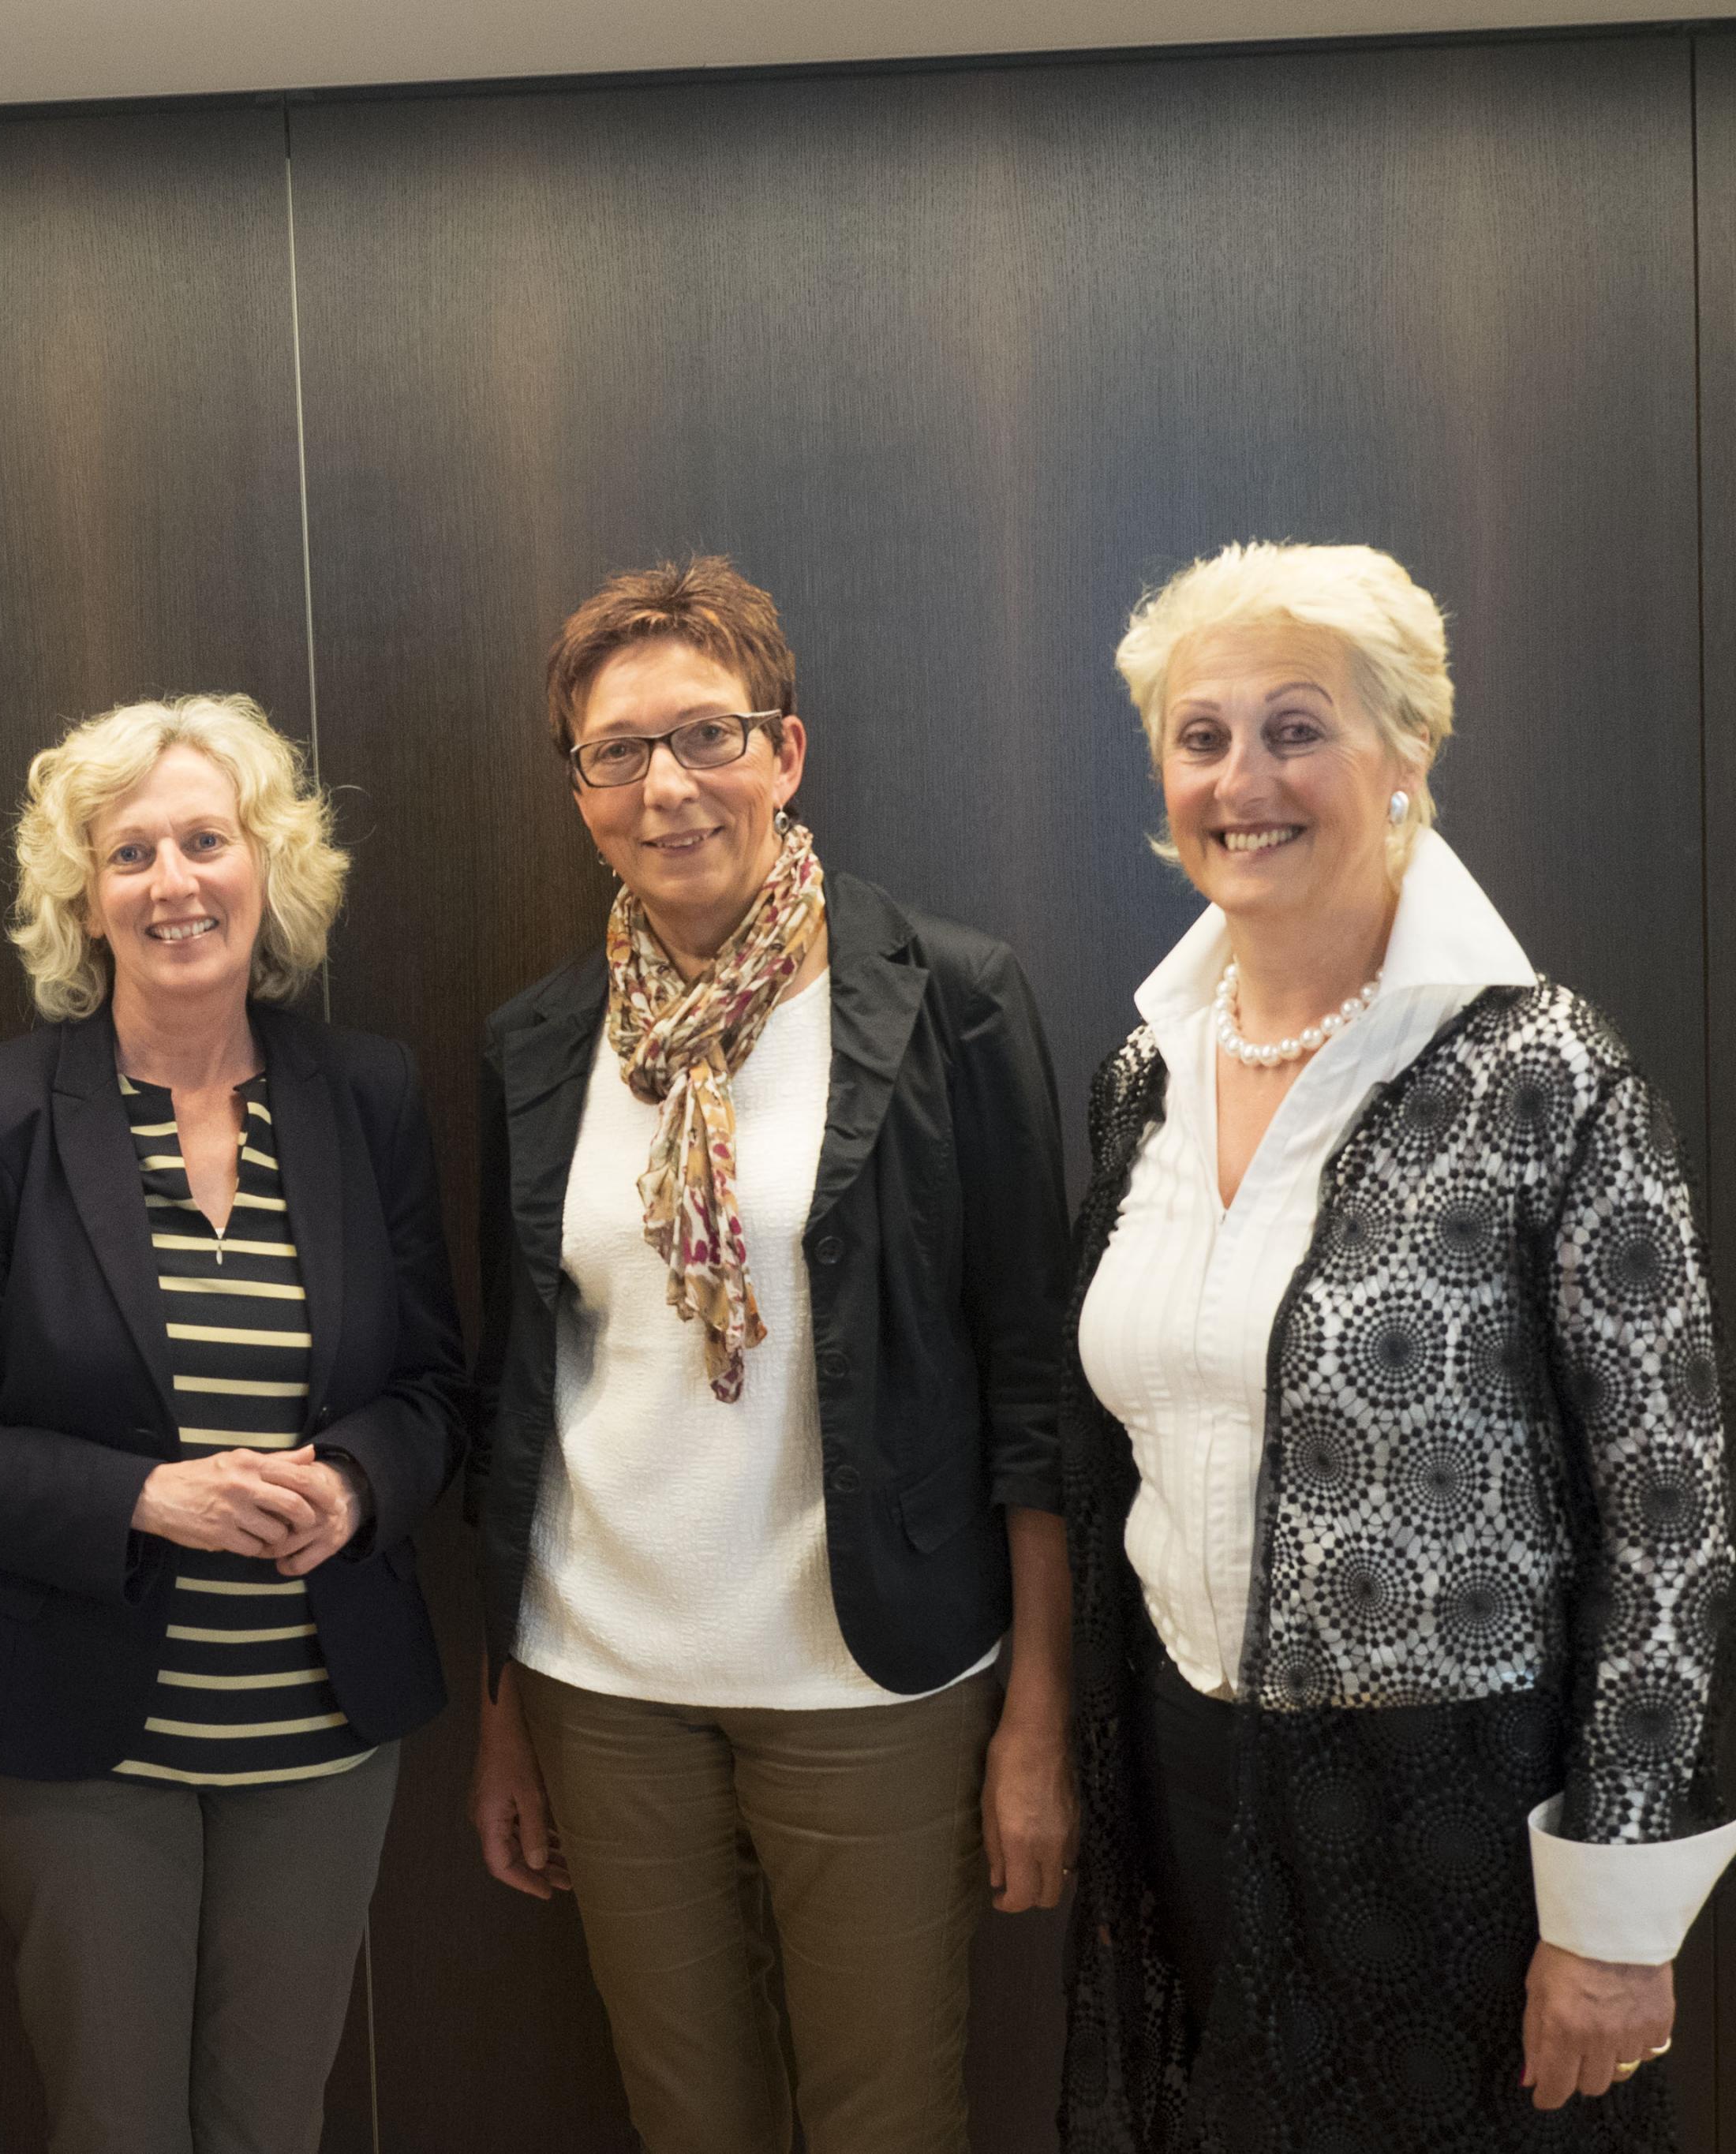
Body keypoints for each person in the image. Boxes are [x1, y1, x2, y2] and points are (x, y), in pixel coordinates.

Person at [1061, 541, 1733, 2149]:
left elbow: (1672, 1512)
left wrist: (1614, 1909)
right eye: (1201, 737)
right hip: (1181, 1764)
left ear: (1405, 751)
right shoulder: (1143, 1074)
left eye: (1295, 728)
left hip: (1450, 1807)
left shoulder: (1542, 1073)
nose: (1242, 780)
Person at [463, 556, 1076, 2152]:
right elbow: (515, 1394)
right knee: (687, 2121)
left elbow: (1033, 1381)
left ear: (783, 753)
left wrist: (1038, 1712)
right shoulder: (537, 1043)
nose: (665, 786)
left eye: (706, 735)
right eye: (617, 752)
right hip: (602, 1683)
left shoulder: (947, 1000)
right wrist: (504, 1704)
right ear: (581, 793)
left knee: (889, 2120)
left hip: (870, 1682)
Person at [0, 694, 465, 2154]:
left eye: (207, 840)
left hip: (321, 1727)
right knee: (116, 2123)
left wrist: (356, 1483)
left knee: (272, 2120)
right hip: (80, 1737)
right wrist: (150, 1497)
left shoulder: (368, 1093)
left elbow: (438, 1389)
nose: (172, 881)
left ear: (270, 868)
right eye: (128, 852)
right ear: (82, 899)